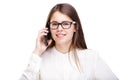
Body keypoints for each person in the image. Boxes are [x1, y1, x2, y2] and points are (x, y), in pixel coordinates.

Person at [19, 3, 118, 80]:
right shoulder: (40, 59)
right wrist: (37, 52)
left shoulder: (91, 58)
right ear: (48, 28)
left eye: (66, 24)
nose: (59, 28)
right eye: (55, 24)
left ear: (75, 27)